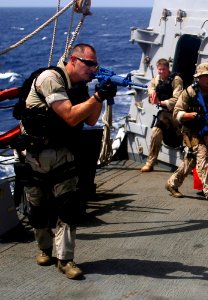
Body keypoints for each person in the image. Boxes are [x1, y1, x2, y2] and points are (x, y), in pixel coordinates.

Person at [19, 43, 116, 279]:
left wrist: (101, 96)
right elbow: (71, 117)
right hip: (36, 155)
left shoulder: (80, 85)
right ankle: (44, 249)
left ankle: (65, 259)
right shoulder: (50, 78)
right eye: (89, 64)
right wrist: (97, 96)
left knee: (68, 207)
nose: (93, 69)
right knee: (38, 208)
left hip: (64, 152)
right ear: (74, 60)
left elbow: (91, 120)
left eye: (96, 65)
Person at [165, 63, 208, 206]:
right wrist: (191, 115)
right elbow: (176, 113)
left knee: (191, 160)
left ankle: (172, 183)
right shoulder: (189, 93)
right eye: (205, 77)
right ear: (199, 78)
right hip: (190, 132)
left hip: (205, 131)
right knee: (202, 156)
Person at [140, 58, 184, 172]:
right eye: (159, 70)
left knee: (184, 136)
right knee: (156, 133)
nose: (161, 72)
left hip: (176, 113)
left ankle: (184, 165)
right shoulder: (156, 79)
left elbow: (177, 98)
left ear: (167, 69)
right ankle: (150, 163)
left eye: (163, 69)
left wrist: (160, 102)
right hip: (165, 114)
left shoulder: (176, 80)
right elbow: (151, 88)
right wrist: (152, 94)